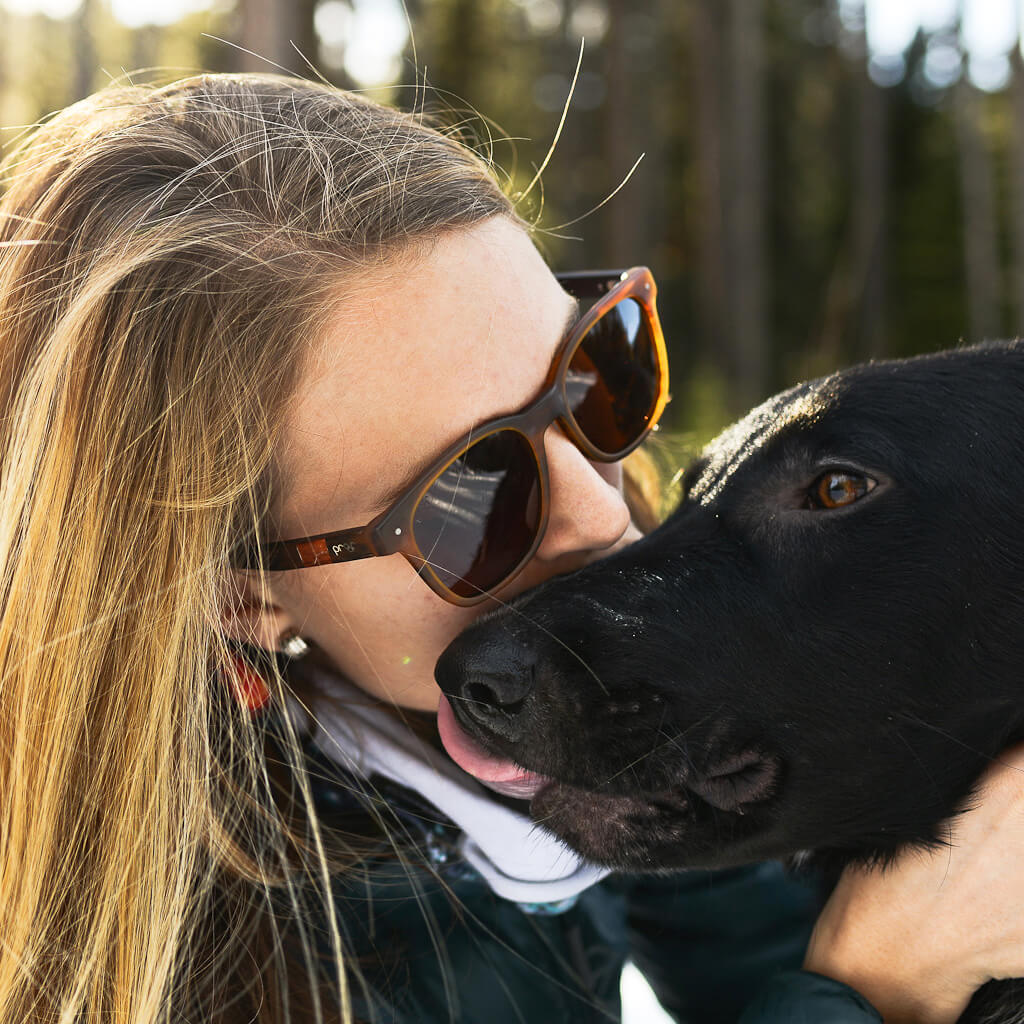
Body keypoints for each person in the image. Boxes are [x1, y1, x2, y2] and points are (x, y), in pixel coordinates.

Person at [0, 70, 1021, 1024]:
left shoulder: (533, 701)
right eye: (468, 492)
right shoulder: (190, 965)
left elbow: (747, 931)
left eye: (592, 378)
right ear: (236, 598)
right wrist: (879, 977)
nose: (602, 511)